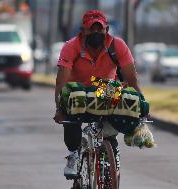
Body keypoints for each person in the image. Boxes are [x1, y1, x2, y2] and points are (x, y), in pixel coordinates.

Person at [53, 10, 150, 178]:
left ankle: (111, 157)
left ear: (107, 29)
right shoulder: (71, 46)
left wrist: (142, 105)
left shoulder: (117, 45)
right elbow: (61, 80)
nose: (96, 33)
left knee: (115, 118)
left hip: (104, 91)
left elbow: (132, 79)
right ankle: (73, 156)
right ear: (83, 30)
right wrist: (59, 108)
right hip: (78, 94)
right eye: (92, 30)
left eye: (100, 29)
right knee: (71, 120)